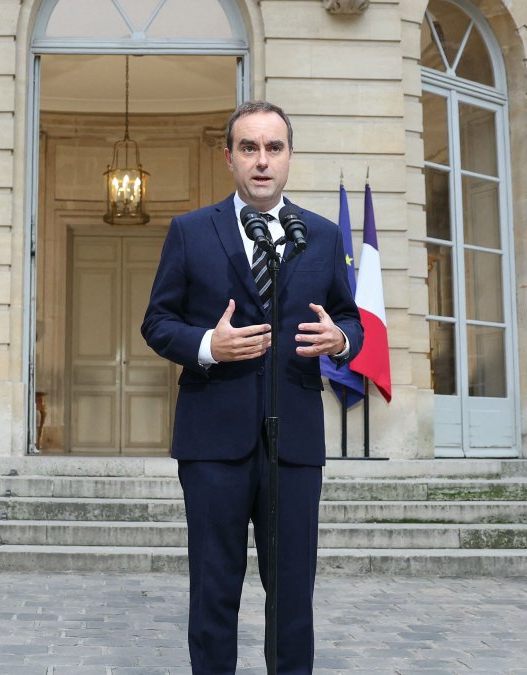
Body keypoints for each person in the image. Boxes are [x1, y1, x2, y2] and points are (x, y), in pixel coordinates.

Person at [141, 100, 363, 674]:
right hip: (213, 441)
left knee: (293, 597)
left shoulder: (321, 233)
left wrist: (339, 341)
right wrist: (210, 347)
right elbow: (157, 322)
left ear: (289, 157)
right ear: (229, 158)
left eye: (273, 148)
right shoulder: (191, 231)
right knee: (214, 591)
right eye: (249, 148)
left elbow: (351, 319)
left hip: (294, 443)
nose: (262, 161)